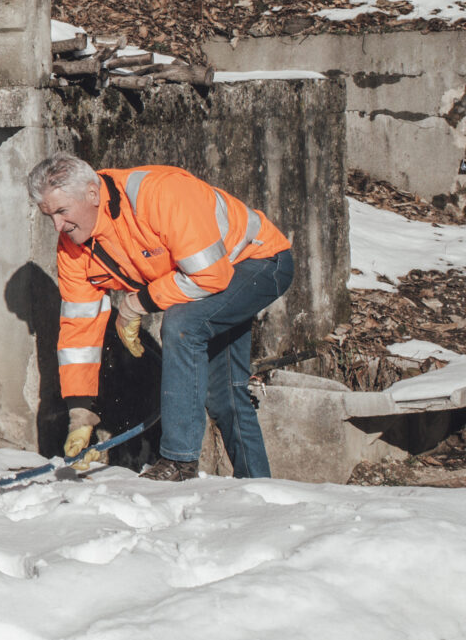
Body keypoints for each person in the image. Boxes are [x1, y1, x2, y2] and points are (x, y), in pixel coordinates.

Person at [26, 153, 294, 481]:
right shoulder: (73, 248)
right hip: (213, 280)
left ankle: (179, 462)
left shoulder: (157, 194)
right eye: (47, 215)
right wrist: (81, 412)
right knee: (223, 393)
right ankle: (258, 486)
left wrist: (136, 303)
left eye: (62, 211)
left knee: (182, 325)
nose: (57, 226)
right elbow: (80, 329)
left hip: (260, 262)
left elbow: (211, 276)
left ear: (92, 195)